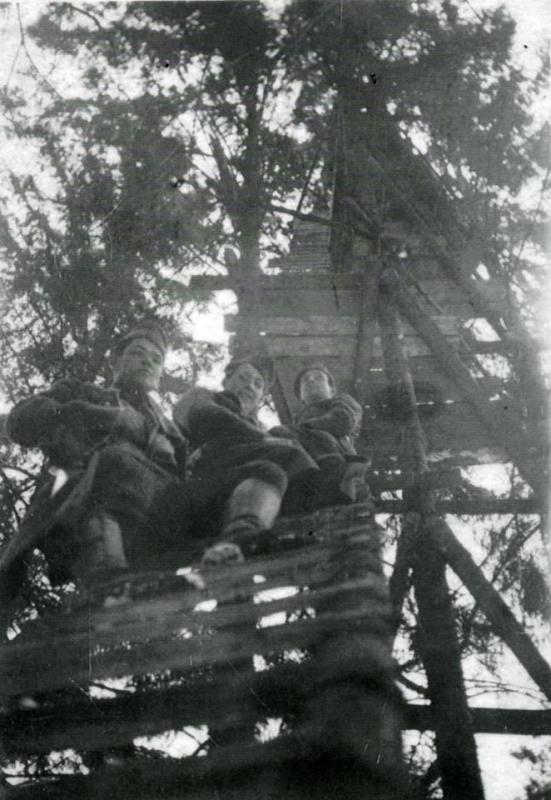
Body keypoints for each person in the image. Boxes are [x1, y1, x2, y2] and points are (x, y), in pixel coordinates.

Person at [0, 321, 187, 596]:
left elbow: (185, 479)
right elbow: (19, 423)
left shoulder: (173, 432)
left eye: (156, 360)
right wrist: (80, 411)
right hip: (84, 500)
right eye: (137, 353)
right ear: (117, 361)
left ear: (160, 375)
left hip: (154, 515)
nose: (147, 362)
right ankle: (108, 576)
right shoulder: (84, 392)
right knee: (108, 466)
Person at [173, 354, 322, 563]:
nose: (249, 386)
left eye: (257, 384)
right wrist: (265, 440)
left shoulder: (265, 430)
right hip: (202, 483)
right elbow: (207, 417)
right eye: (243, 378)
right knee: (282, 460)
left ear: (262, 396)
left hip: (248, 491)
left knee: (282, 460)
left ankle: (241, 548)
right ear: (226, 381)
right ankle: (243, 534)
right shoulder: (204, 397)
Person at [271, 364, 368, 502]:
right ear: (301, 397)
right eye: (305, 380)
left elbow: (342, 420)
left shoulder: (341, 400)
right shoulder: (298, 420)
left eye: (319, 378)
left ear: (331, 390)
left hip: (339, 457)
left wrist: (302, 429)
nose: (311, 380)